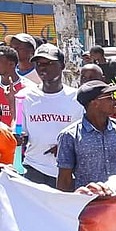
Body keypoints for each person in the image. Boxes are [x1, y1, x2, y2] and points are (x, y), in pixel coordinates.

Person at [14, 44, 80, 187]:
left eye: (49, 63)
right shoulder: (23, 97)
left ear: (62, 65)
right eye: (38, 64)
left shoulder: (77, 98)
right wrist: (18, 138)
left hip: (67, 172)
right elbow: (20, 132)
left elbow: (84, 134)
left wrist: (65, 147)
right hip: (34, 169)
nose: (43, 68)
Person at [52, 81, 116, 192]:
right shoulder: (70, 136)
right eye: (109, 97)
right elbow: (64, 180)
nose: (115, 101)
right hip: (88, 203)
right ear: (94, 103)